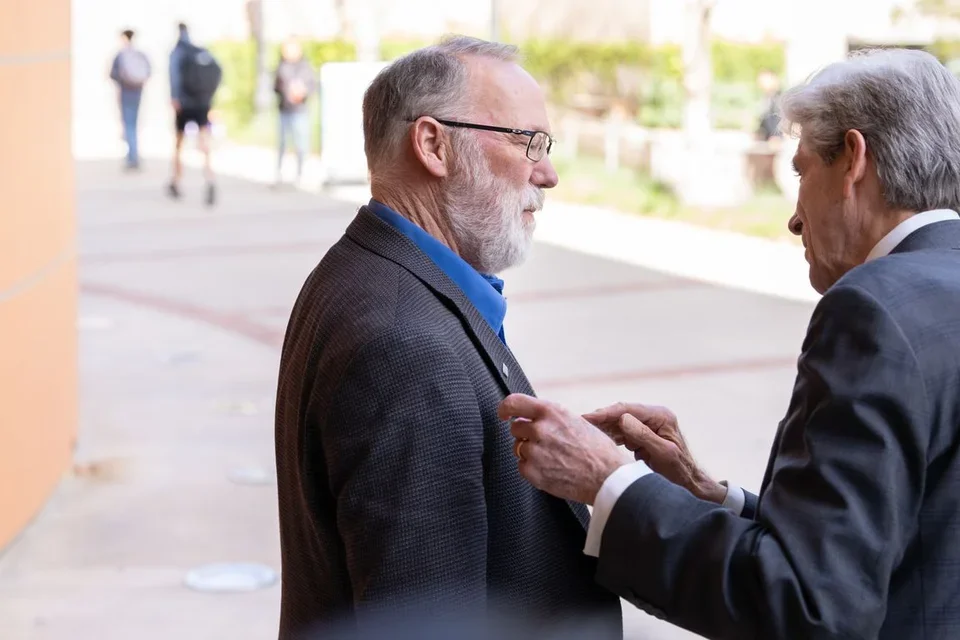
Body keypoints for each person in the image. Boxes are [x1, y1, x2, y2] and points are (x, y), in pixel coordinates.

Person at [499, 47, 960, 639]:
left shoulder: (874, 306)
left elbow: (807, 607)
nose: (794, 219)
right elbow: (893, 544)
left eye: (800, 173)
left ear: (852, 160)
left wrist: (610, 480)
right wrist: (707, 495)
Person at [273, 36, 622, 640]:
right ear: (433, 144)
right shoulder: (404, 345)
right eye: (527, 141)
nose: (549, 172)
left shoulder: (368, 273)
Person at [168, 22, 221, 205]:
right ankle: (210, 177)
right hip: (202, 103)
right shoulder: (201, 52)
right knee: (204, 141)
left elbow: (174, 77)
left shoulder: (178, 53)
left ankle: (176, 180)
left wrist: (174, 98)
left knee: (179, 143)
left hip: (184, 103)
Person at [273, 36, 316, 187]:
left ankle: (300, 173)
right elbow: (276, 86)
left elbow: (312, 86)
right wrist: (286, 93)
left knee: (301, 143)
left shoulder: (305, 67)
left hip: (300, 110)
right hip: (285, 109)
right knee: (282, 143)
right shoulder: (281, 66)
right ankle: (280, 173)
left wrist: (301, 93)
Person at [109, 29, 151, 170]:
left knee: (129, 125)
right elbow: (149, 72)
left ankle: (132, 157)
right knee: (134, 124)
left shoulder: (121, 55)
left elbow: (112, 74)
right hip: (137, 93)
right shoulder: (140, 54)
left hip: (126, 93)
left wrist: (123, 82)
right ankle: (134, 154)